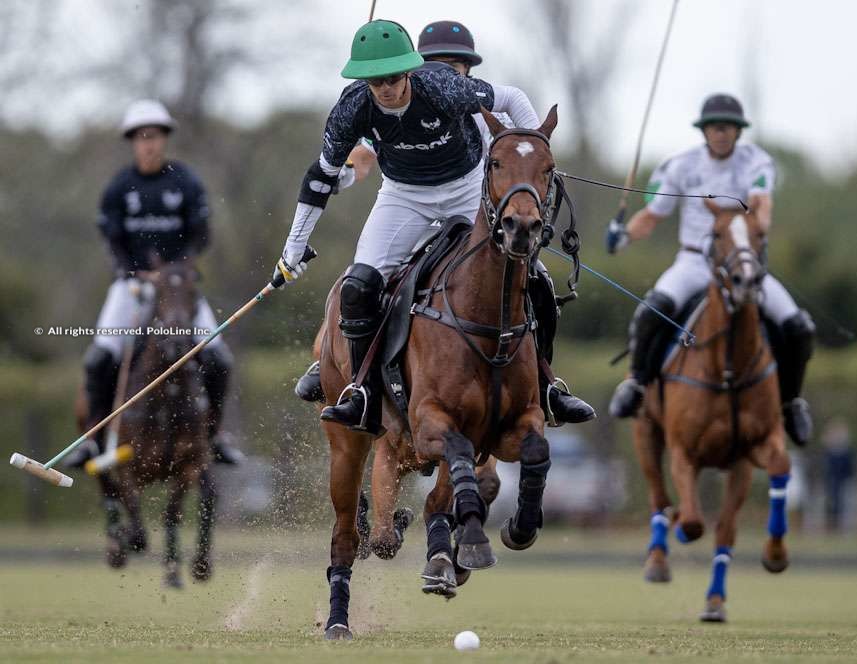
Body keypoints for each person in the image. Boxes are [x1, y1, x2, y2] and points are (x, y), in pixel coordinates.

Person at [277, 20, 593, 436]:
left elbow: (513, 99)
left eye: (392, 78)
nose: (386, 89)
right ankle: (362, 393)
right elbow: (320, 177)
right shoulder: (352, 107)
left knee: (534, 276)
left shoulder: (444, 86)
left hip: (466, 189)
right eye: (376, 82)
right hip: (403, 196)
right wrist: (294, 248)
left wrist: (534, 153)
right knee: (358, 286)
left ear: (410, 70)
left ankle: (547, 385)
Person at [606, 93, 815, 446]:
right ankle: (638, 384)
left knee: (798, 327)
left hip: (741, 264)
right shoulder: (682, 166)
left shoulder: (756, 162)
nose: (721, 133)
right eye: (715, 128)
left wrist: (760, 225)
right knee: (651, 312)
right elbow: (652, 216)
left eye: (728, 128)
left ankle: (791, 401)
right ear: (704, 132)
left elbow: (762, 205)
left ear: (738, 132)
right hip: (693, 262)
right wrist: (623, 236)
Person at [65, 99, 243, 468]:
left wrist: (175, 271)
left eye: (155, 136)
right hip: (131, 286)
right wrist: (132, 271)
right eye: (142, 137)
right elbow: (111, 240)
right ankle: (93, 439)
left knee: (218, 358)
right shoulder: (119, 187)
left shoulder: (186, 181)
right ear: (133, 141)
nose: (149, 143)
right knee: (100, 358)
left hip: (179, 287)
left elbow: (201, 236)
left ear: (164, 139)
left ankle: (215, 435)